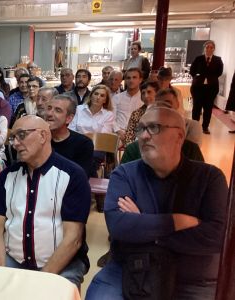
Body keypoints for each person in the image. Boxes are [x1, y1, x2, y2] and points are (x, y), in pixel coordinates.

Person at [86, 106, 227, 300]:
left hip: (192, 276)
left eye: (154, 127)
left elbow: (216, 236)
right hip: (130, 267)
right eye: (141, 129)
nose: (143, 136)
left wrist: (144, 222)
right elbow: (118, 227)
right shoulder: (124, 174)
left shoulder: (210, 177)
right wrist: (176, 221)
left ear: (179, 136)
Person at [0, 116, 91, 288]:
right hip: (13, 258)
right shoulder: (7, 176)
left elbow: (74, 239)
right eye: (12, 137)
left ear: (43, 136)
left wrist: (39, 282)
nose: (15, 144)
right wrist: (1, 275)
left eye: (21, 135)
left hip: (61, 264)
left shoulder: (72, 175)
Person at [41, 95, 94, 178]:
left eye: (57, 110)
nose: (49, 113)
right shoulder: (38, 139)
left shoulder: (83, 144)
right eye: (49, 108)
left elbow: (80, 178)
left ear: (69, 118)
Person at [190, 40, 224, 134]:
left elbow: (219, 72)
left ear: (214, 49)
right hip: (198, 88)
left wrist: (210, 78)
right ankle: (194, 127)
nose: (209, 49)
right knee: (196, 108)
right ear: (204, 48)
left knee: (208, 109)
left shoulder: (218, 60)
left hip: (211, 88)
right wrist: (198, 78)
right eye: (207, 47)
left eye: (211, 47)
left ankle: (205, 127)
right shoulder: (198, 58)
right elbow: (192, 70)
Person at [123, 81, 160, 145]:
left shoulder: (164, 113)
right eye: (143, 93)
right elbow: (129, 137)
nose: (146, 96)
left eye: (149, 92)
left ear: (157, 94)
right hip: (139, 149)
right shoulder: (136, 113)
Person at [112, 68, 143, 142]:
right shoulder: (117, 98)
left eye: (134, 77)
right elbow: (111, 118)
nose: (131, 80)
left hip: (138, 136)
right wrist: (118, 130)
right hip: (118, 134)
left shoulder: (144, 99)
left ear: (140, 80)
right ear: (125, 80)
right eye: (128, 78)